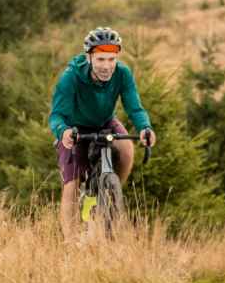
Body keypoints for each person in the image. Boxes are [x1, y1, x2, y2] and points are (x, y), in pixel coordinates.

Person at [49, 27, 156, 238]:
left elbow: (134, 107)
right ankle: (70, 242)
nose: (107, 66)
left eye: (111, 59)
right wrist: (63, 132)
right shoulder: (71, 77)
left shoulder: (123, 73)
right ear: (89, 57)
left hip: (104, 122)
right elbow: (56, 116)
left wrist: (145, 127)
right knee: (71, 183)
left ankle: (112, 193)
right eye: (100, 60)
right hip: (74, 129)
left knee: (126, 149)